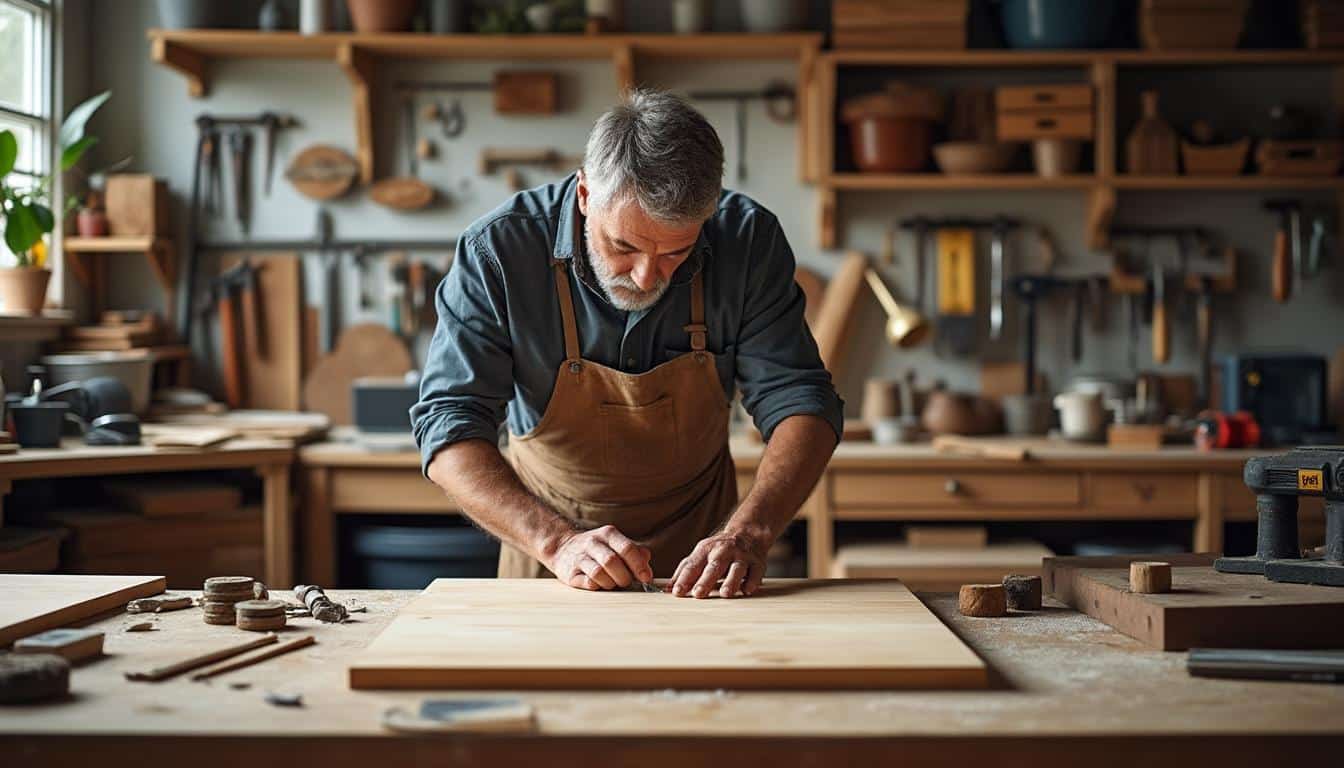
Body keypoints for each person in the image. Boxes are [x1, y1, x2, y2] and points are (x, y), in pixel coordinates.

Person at [412, 89, 842, 599]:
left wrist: (748, 533)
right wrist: (557, 544)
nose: (644, 276)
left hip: (706, 565)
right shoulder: (500, 253)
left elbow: (802, 402)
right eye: (623, 245)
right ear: (585, 194)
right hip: (553, 560)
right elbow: (448, 424)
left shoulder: (746, 242)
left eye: (676, 253)